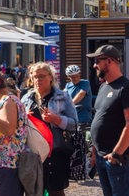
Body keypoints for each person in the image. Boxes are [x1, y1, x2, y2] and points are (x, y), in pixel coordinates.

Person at [87, 45, 129, 196]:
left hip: (118, 158)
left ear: (110, 61)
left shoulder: (126, 88)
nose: (94, 65)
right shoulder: (103, 87)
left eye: (97, 61)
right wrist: (94, 150)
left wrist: (116, 154)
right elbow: (99, 117)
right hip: (101, 156)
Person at [20, 62, 77, 196]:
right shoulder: (26, 98)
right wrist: (25, 119)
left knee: (55, 191)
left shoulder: (63, 96)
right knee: (33, 190)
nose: (37, 80)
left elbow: (74, 124)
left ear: (51, 77)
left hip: (55, 151)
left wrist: (56, 119)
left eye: (41, 76)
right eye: (34, 77)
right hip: (33, 152)